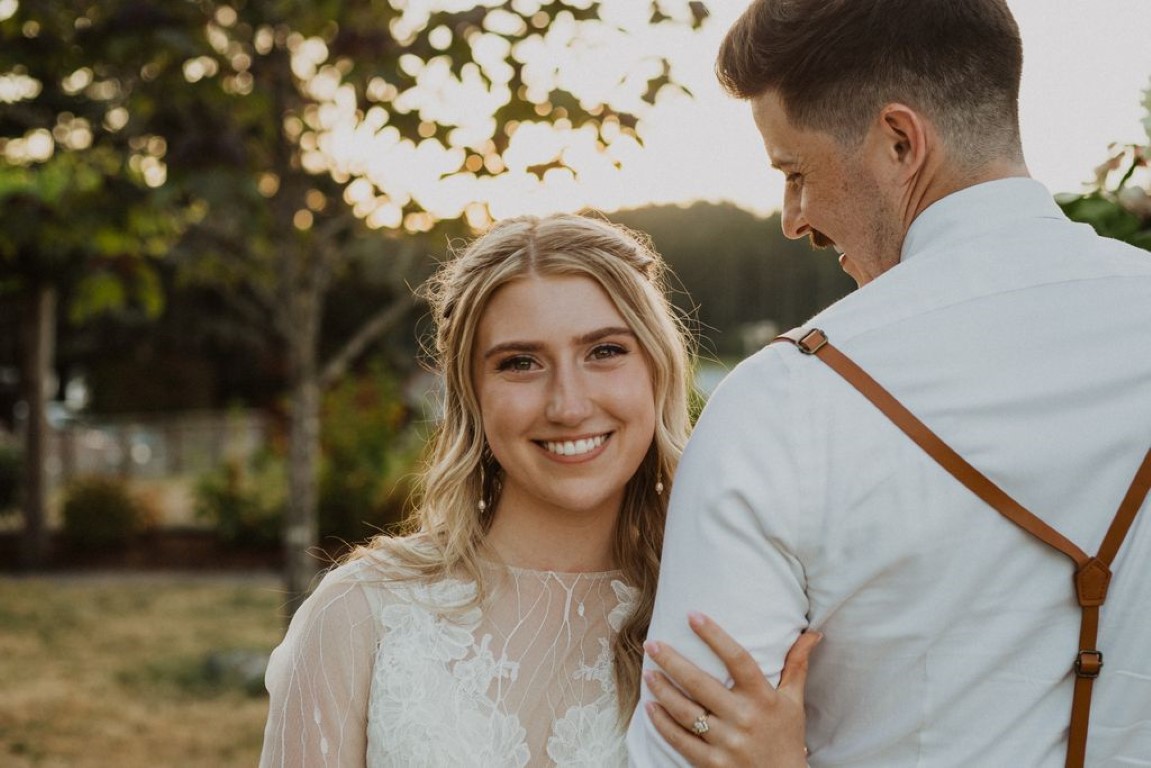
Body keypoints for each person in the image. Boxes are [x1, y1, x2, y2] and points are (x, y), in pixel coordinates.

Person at [628, 1, 1151, 766]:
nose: (792, 219)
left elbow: (680, 755)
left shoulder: (781, 403)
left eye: (794, 173)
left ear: (900, 142)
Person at [258, 212, 815, 767]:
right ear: (471, 394)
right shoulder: (360, 615)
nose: (568, 405)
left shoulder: (736, 609)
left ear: (657, 368)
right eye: (520, 363)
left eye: (604, 351)